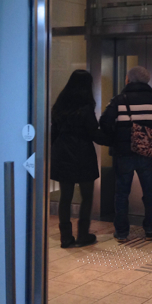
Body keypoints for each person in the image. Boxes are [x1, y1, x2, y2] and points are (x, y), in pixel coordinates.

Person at [100, 66, 152, 242]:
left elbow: (104, 121)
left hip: (123, 153)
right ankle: (150, 229)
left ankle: (122, 232)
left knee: (122, 193)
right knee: (149, 192)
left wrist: (115, 137)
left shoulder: (119, 100)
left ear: (128, 80)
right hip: (146, 152)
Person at [51, 70, 110, 248]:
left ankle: (66, 237)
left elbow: (53, 133)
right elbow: (94, 134)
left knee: (65, 197)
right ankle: (83, 235)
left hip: (62, 154)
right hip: (83, 154)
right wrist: (113, 139)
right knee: (86, 196)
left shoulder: (59, 106)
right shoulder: (85, 108)